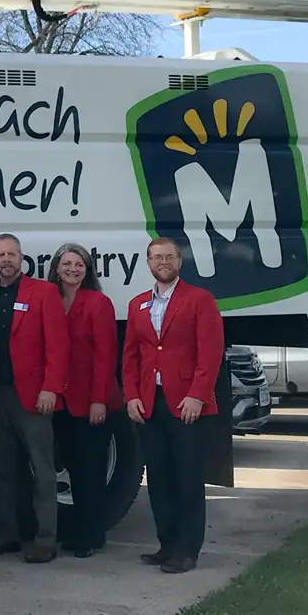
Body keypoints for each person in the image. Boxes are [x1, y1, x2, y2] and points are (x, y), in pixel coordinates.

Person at [123, 237, 224, 574]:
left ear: (179, 261)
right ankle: (166, 545)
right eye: (156, 257)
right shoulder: (137, 304)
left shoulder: (200, 300)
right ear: (148, 263)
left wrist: (197, 395)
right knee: (160, 478)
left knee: (187, 478)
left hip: (186, 404)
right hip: (151, 404)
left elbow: (209, 354)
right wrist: (132, 395)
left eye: (169, 257)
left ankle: (187, 550)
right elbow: (131, 357)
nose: (163, 262)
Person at [0, 233, 68, 563]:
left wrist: (50, 388)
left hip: (32, 396)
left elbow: (58, 346)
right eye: (0, 255)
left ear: (22, 257)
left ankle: (45, 539)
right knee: (1, 469)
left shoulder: (43, 293)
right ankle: (7, 535)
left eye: (12, 254)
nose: (6, 260)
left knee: (42, 470)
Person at [48, 243, 122, 558]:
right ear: (56, 268)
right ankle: (81, 531)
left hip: (90, 400)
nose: (73, 269)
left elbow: (106, 356)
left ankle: (92, 536)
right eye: (67, 264)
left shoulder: (98, 303)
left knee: (90, 471)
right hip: (62, 402)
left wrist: (98, 400)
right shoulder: (51, 300)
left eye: (79, 264)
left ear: (87, 270)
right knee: (74, 469)